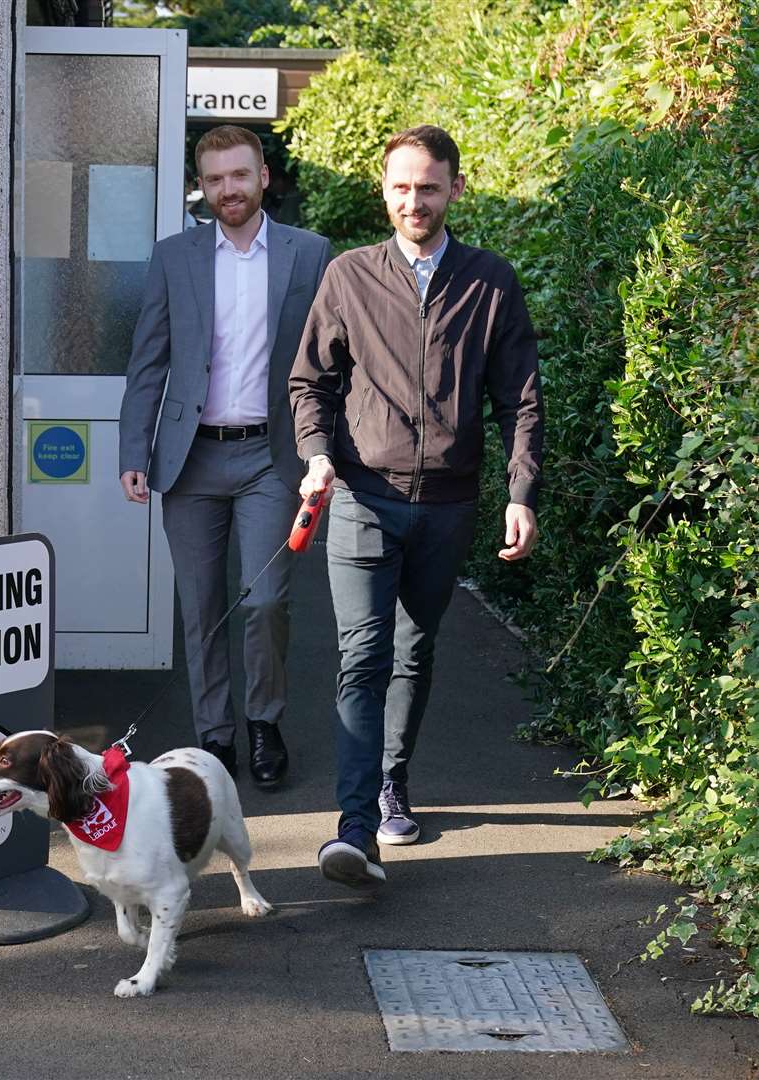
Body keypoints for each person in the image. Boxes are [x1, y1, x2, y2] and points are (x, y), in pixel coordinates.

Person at [290, 125, 544, 888]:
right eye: (401, 187)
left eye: (428, 187)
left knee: (413, 651)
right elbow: (312, 383)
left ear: (454, 190)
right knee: (362, 658)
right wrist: (317, 455)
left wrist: (519, 491)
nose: (414, 201)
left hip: (448, 507)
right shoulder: (348, 277)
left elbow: (521, 401)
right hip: (364, 497)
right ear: (384, 189)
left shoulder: (491, 281)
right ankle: (355, 828)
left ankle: (394, 780)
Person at [120, 124, 332, 788]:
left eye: (239, 176)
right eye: (214, 180)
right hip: (190, 459)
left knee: (265, 601)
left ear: (263, 176)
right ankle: (213, 735)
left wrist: (323, 451)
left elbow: (328, 361)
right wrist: (135, 447)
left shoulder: (310, 253)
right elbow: (148, 362)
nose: (227, 190)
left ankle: (263, 722)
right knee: (201, 605)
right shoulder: (174, 256)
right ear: (202, 186)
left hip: (270, 457)